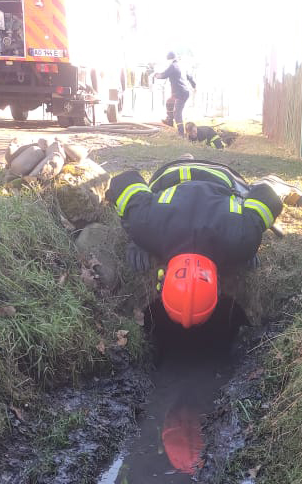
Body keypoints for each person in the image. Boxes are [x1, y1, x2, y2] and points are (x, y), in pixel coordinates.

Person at [104, 158, 286, 328]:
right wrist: (137, 235)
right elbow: (126, 180)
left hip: (211, 174)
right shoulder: (145, 225)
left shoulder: (242, 238)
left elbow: (266, 194)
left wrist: (247, 237)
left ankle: (274, 179)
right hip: (183, 172)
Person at [155, 51, 196, 137]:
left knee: (177, 113)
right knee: (169, 102)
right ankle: (169, 121)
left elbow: (163, 75)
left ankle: (181, 134)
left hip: (180, 93)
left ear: (169, 59)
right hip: (182, 92)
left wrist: (155, 75)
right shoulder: (182, 66)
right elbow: (190, 77)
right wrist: (194, 85)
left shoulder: (173, 66)